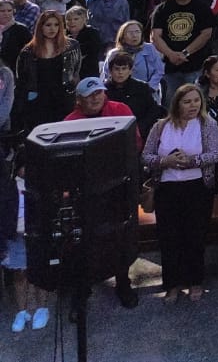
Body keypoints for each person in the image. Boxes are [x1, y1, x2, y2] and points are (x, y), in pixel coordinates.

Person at [61, 76, 141, 308]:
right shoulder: (70, 121)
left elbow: (135, 143)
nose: (96, 98)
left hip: (118, 186)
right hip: (85, 191)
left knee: (120, 236)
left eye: (99, 93)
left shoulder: (120, 110)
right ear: (79, 100)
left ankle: (123, 282)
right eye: (90, 95)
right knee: (84, 240)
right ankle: (83, 286)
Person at [141, 82, 218, 302]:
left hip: (197, 188)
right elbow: (146, 156)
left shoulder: (208, 125)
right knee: (169, 238)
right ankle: (172, 284)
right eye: (187, 102)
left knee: (195, 236)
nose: (192, 106)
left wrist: (192, 161)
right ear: (177, 104)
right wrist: (164, 161)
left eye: (196, 101)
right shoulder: (160, 126)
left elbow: (214, 154)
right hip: (167, 189)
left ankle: (195, 281)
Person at [150, 0, 218, 103]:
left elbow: (206, 34)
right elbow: (155, 36)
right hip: (170, 67)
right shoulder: (162, 9)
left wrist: (185, 53)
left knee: (196, 104)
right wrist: (171, 54)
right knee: (170, 104)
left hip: (196, 65)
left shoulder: (202, 8)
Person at [14, 9, 80, 131]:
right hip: (38, 101)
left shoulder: (72, 46)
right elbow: (21, 79)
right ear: (41, 27)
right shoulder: (28, 51)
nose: (52, 29)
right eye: (48, 25)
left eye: (56, 25)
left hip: (63, 99)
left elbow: (75, 71)